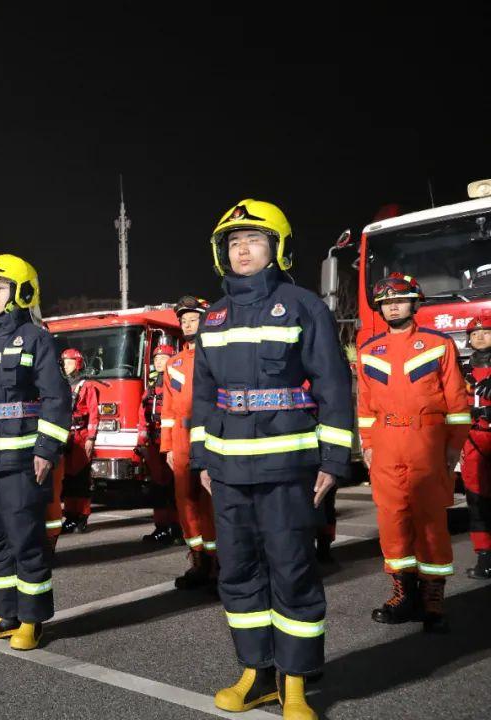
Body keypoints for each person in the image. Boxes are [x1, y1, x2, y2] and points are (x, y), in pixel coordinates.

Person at [194, 199, 353, 720]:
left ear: (277, 248)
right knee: (237, 573)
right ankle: (255, 673)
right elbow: (203, 394)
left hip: (288, 468)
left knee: (293, 571)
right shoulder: (213, 318)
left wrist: (333, 458)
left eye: (254, 240)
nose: (243, 250)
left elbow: (332, 385)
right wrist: (202, 459)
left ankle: (297, 683)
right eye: (234, 242)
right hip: (228, 469)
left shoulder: (303, 305)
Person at [0, 254, 71, 652]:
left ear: (22, 292)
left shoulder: (38, 339)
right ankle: (6, 614)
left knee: (25, 539)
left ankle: (32, 619)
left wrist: (46, 449)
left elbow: (56, 398)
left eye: (0, 287)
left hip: (24, 460)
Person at [357, 273, 470, 632]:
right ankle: (403, 593)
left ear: (414, 303)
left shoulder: (439, 344)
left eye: (400, 300)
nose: (393, 306)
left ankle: (433, 596)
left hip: (428, 443)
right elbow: (364, 407)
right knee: (393, 523)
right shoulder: (367, 351)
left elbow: (457, 403)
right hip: (386, 444)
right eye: (387, 302)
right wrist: (369, 446)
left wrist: (454, 446)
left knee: (431, 523)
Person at [161, 295, 218, 590]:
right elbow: (168, 410)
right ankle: (199, 559)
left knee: (212, 500)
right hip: (182, 439)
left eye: (193, 319)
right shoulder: (174, 363)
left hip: (211, 433)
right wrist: (168, 446)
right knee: (186, 500)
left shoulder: (218, 355)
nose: (187, 324)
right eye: (183, 320)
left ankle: (219, 559)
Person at [139, 344, 182, 544]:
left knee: (177, 486)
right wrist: (142, 437)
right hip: (155, 441)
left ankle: (179, 527)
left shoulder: (177, 381)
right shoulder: (151, 385)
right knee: (159, 487)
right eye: (156, 359)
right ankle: (161, 526)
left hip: (174, 440)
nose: (158, 362)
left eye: (162, 358)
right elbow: (142, 412)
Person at [463, 310, 491, 579]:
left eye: (485, 331)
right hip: (473, 441)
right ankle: (485, 556)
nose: (480, 336)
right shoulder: (462, 371)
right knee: (477, 499)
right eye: (474, 333)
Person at [60, 348, 99, 534]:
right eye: (64, 362)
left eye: (69, 362)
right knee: (67, 478)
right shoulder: (61, 385)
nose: (65, 366)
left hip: (81, 435)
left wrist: (91, 437)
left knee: (81, 477)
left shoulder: (87, 386)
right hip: (65, 436)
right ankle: (70, 516)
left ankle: (82, 516)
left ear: (78, 364)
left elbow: (93, 413)